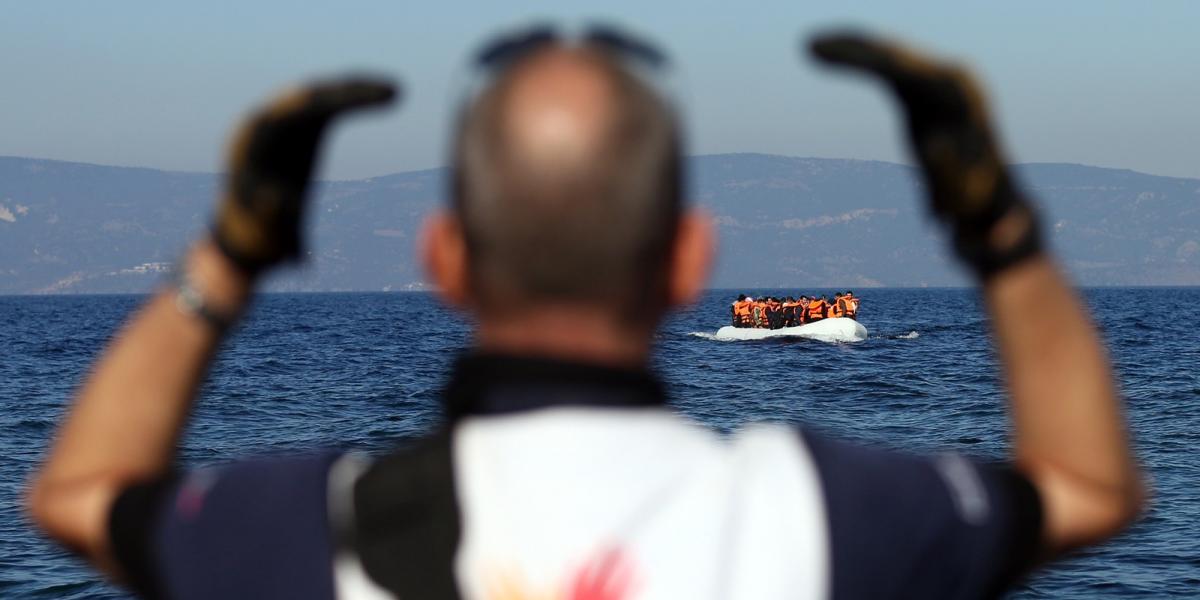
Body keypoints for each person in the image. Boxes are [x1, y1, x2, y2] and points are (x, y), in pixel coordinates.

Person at [28, 27, 1143, 599]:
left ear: (444, 260)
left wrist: (230, 257)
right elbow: (1092, 488)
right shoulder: (818, 515)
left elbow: (78, 496)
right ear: (688, 259)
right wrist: (997, 228)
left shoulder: (312, 531)